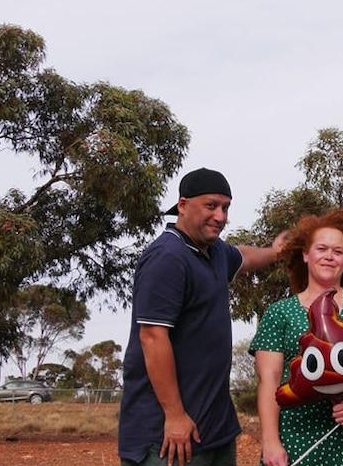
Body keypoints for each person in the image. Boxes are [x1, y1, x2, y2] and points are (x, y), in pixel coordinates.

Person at [119, 167, 286, 466]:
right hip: (168, 438)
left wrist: (274, 252)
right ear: (182, 205)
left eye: (225, 207)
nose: (220, 216)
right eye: (211, 205)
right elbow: (152, 337)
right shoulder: (167, 258)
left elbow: (243, 256)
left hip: (215, 430)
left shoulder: (215, 251)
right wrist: (174, 416)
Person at [250, 208, 343, 466]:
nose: (329, 257)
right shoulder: (280, 312)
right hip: (294, 439)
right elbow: (268, 380)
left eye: (338, 252)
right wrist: (270, 442)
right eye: (321, 249)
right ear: (305, 255)